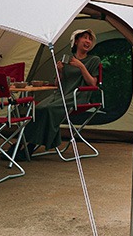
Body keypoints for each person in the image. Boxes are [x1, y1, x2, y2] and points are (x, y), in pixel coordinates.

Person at [21, 28, 101, 158]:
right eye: (85, 37)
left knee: (49, 109)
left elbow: (92, 83)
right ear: (76, 41)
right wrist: (59, 71)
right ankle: (22, 142)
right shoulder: (67, 59)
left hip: (77, 96)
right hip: (60, 94)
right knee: (39, 108)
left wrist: (81, 66)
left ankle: (30, 146)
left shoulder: (93, 60)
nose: (88, 41)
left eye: (90, 39)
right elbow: (58, 85)